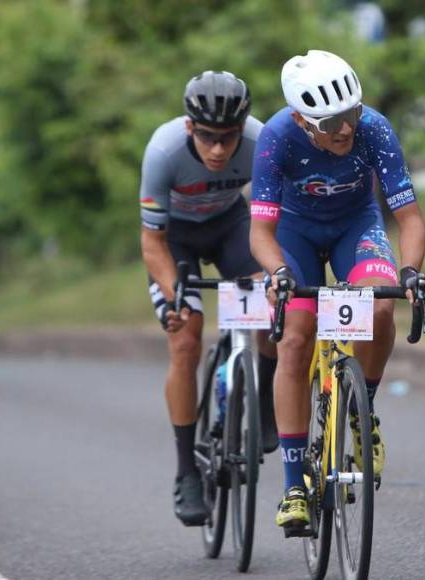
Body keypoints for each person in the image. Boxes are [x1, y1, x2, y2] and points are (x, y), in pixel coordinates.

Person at [249, 50, 425, 533]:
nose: (346, 129)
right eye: (331, 121)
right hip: (295, 234)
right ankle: (294, 486)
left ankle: (362, 411)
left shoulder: (374, 127)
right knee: (295, 336)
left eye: (351, 113)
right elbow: (261, 233)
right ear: (301, 120)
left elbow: (410, 219)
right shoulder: (276, 137)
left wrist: (411, 272)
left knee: (378, 306)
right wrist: (276, 273)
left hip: (356, 226)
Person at [139, 71, 279, 527]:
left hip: (230, 227)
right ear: (188, 128)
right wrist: (174, 297)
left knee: (276, 305)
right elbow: (152, 243)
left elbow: (274, 218)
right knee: (186, 339)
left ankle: (264, 402)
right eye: (207, 138)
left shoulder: (263, 141)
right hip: (174, 240)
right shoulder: (163, 152)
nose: (218, 150)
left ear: (243, 129)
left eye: (228, 138)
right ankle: (186, 474)